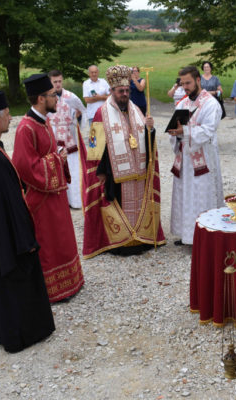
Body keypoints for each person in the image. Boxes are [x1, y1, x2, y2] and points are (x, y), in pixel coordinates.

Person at [0, 90, 55, 353]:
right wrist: (26, 240)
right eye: (7, 114)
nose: (10, 119)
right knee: (15, 280)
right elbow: (10, 206)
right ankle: (23, 333)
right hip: (6, 238)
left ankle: (2, 328)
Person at [12, 74, 84, 302]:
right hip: (41, 199)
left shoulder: (44, 121)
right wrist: (56, 160)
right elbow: (24, 166)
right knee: (50, 243)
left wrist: (57, 157)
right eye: (53, 95)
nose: (57, 99)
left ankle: (70, 282)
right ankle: (53, 290)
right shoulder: (26, 128)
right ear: (41, 98)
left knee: (62, 239)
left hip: (55, 195)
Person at [80, 65, 165, 258]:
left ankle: (141, 239)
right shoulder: (101, 113)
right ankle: (121, 243)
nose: (125, 94)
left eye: (127, 90)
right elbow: (95, 148)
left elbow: (147, 141)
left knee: (139, 205)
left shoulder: (136, 110)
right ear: (112, 91)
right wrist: (100, 171)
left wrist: (150, 129)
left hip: (138, 172)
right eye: (121, 91)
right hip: (114, 172)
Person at [169, 66, 224, 245]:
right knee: (185, 194)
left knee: (201, 196)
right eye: (182, 83)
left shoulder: (211, 103)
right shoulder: (182, 104)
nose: (185, 87)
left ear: (198, 80)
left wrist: (184, 131)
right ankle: (187, 235)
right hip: (185, 158)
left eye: (188, 83)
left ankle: (204, 238)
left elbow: (208, 131)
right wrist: (175, 132)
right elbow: (176, 128)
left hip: (203, 158)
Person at [47, 69, 88, 209]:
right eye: (55, 82)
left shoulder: (71, 97)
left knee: (73, 168)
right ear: (50, 82)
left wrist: (78, 117)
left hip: (69, 138)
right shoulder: (46, 98)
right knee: (55, 168)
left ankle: (75, 201)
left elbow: (82, 112)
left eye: (60, 81)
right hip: (53, 136)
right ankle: (60, 202)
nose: (58, 84)